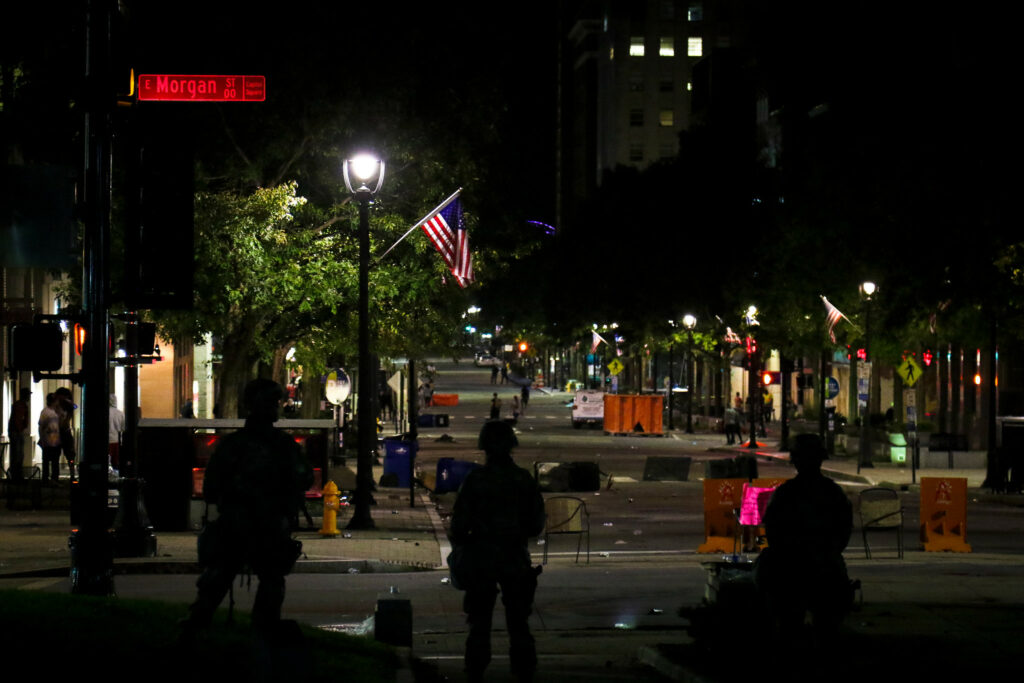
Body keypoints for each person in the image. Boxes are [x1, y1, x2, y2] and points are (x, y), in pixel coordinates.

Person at [181, 379, 313, 640]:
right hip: (265, 524)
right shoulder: (283, 446)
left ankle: (198, 624)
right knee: (270, 579)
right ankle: (262, 629)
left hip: (238, 523)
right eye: (274, 403)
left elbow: (211, 490)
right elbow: (304, 478)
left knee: (221, 576)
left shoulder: (233, 445)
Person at [449, 421, 546, 682]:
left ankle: (476, 669)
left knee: (479, 623)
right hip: (514, 556)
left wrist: (464, 546)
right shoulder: (523, 480)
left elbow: (458, 525)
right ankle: (523, 670)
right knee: (518, 623)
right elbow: (536, 524)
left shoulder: (476, 480)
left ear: (484, 448)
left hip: (481, 557)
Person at [756, 433, 853, 650]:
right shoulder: (833, 493)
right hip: (824, 566)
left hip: (792, 569)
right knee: (826, 629)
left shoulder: (786, 494)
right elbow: (844, 530)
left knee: (789, 626)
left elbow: (773, 531)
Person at [6, 387, 30, 480]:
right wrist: (21, 428)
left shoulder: (21, 405)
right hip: (16, 432)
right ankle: (16, 475)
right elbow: (17, 419)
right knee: (18, 454)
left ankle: (16, 474)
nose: (29, 397)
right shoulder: (20, 405)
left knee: (18, 454)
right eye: (28, 395)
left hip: (17, 431)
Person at [38, 393, 62, 482]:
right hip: (49, 440)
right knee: (50, 461)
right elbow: (41, 427)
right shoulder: (46, 412)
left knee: (50, 461)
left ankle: (50, 478)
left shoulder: (52, 412)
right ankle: (50, 478)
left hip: (54, 440)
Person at [54, 387, 76, 480]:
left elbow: (74, 406)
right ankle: (55, 476)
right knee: (55, 456)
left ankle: (72, 475)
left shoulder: (68, 406)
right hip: (57, 432)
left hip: (65, 432)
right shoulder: (56, 406)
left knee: (70, 455)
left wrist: (67, 400)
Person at [108, 394, 125, 473]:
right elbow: (123, 428)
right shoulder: (120, 413)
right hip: (116, 440)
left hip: (107, 440)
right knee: (116, 463)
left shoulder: (104, 413)